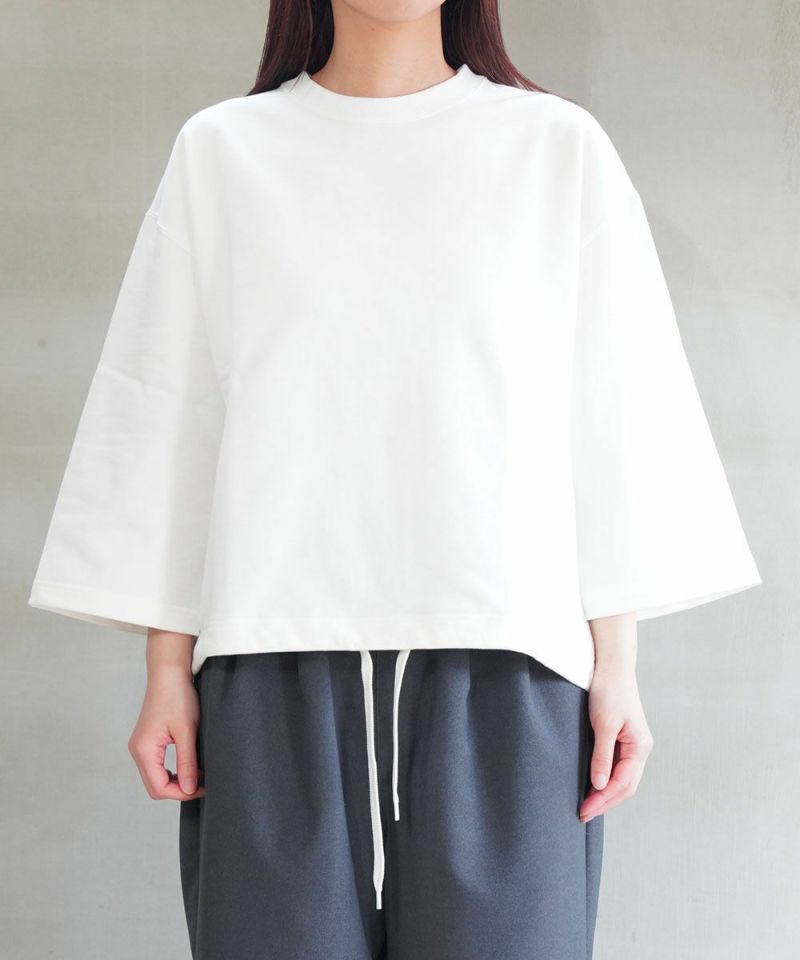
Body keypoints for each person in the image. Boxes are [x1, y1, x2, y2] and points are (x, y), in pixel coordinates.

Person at [27, 2, 762, 958]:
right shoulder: (224, 154)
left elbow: (610, 408)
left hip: (509, 668)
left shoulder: (555, 149)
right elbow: (171, 410)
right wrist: (167, 670)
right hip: (271, 660)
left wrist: (616, 669)